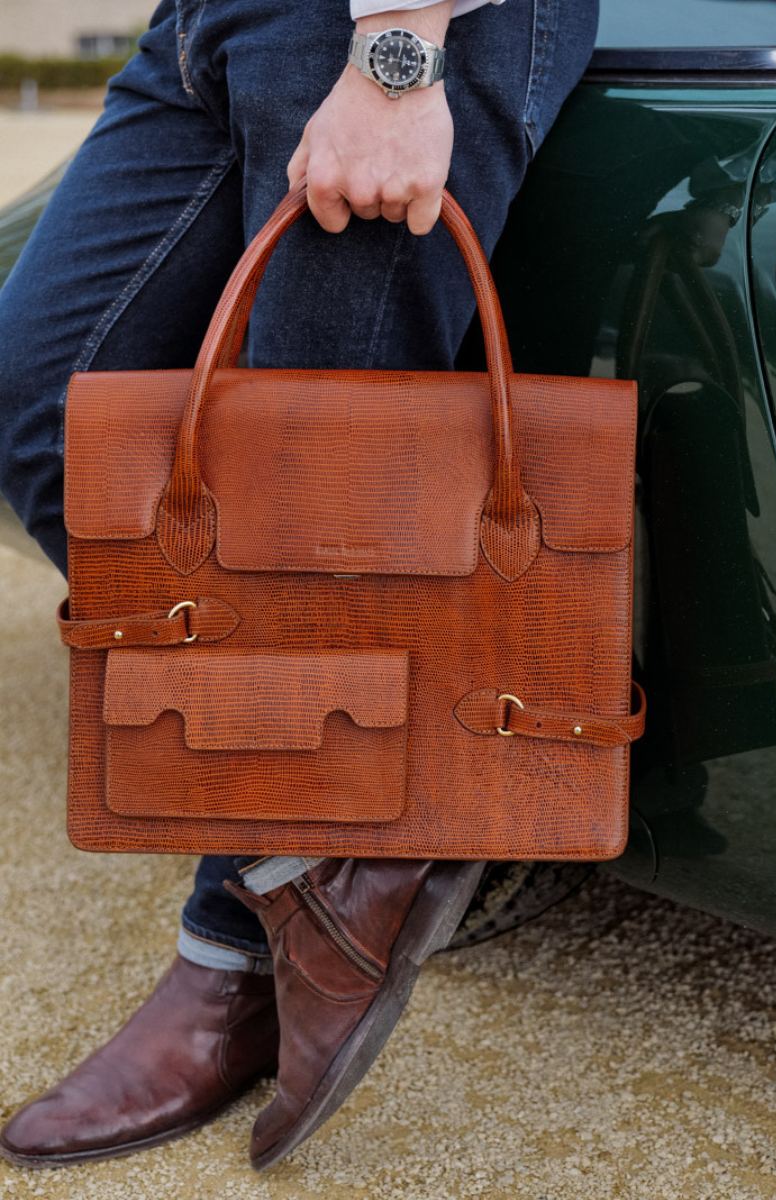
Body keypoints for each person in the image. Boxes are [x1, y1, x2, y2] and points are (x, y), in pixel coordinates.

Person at [0, 0, 599, 1172]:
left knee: (302, 512)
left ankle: (249, 935)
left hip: (386, 20)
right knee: (45, 407)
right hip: (208, 18)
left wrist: (403, 45)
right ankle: (384, 797)